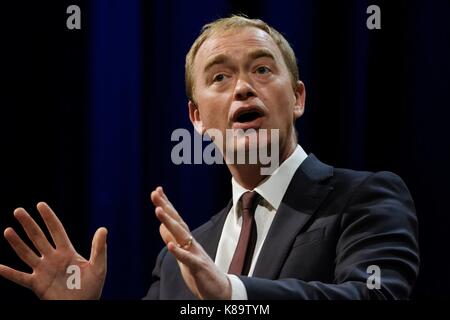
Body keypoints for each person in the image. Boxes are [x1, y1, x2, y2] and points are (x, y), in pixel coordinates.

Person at [0, 15, 419, 300]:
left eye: (262, 69)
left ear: (297, 97)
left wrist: (233, 294)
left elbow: (374, 294)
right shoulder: (180, 257)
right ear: (197, 118)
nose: (242, 88)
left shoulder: (364, 197)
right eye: (220, 77)